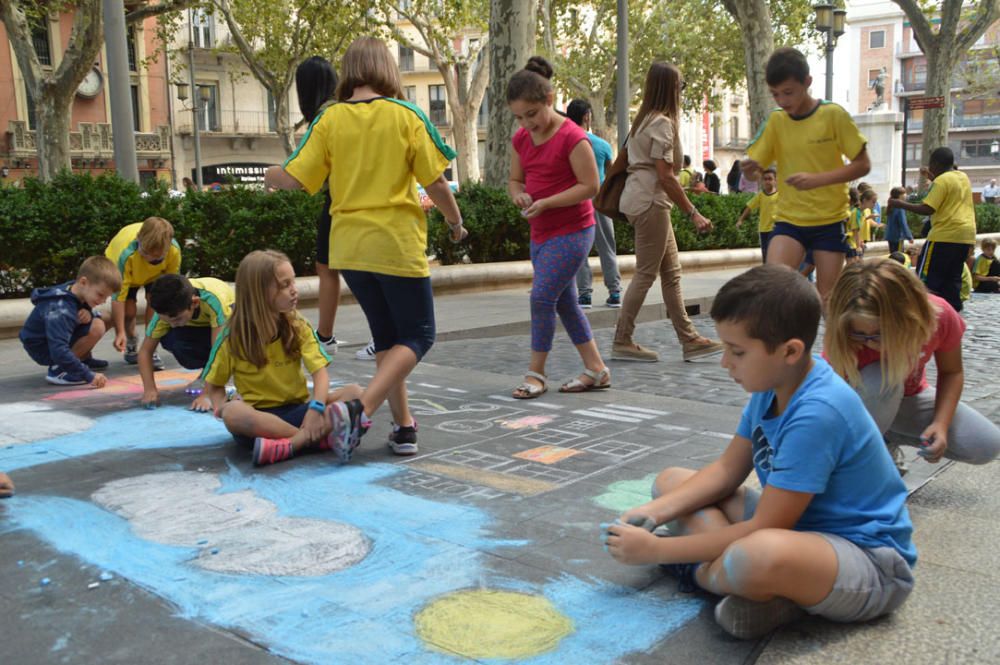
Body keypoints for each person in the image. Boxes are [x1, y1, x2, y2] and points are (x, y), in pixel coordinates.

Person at [605, 264, 915, 640]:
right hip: (799, 534)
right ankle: (767, 594)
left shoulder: (818, 412)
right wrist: (653, 513)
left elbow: (765, 528)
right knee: (671, 483)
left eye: (737, 351)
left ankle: (705, 572)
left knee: (757, 554)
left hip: (868, 562)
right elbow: (726, 471)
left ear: (789, 351)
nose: (725, 362)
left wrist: (657, 552)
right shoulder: (772, 384)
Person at [264, 37, 465, 459]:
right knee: (420, 334)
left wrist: (269, 174)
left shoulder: (330, 119)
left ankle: (405, 428)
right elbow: (435, 181)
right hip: (395, 243)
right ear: (386, 69)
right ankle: (361, 408)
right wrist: (455, 221)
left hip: (349, 247)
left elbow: (296, 178)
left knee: (390, 341)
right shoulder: (406, 114)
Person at [825, 259, 1000, 472]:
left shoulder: (939, 315)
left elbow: (952, 372)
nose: (870, 342)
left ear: (908, 318)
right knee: (883, 379)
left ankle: (885, 439)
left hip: (909, 399)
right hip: (857, 405)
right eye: (860, 334)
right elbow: (827, 398)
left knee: (984, 444)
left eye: (880, 333)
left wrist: (941, 425)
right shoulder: (844, 332)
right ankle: (865, 457)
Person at [506, 57, 611, 398]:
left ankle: (536, 374)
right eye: (519, 117)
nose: (527, 124)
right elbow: (515, 180)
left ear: (549, 101)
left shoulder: (573, 137)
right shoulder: (521, 139)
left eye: (532, 114)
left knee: (541, 297)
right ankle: (596, 369)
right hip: (540, 232)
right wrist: (519, 195)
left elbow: (590, 186)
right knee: (564, 301)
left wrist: (547, 202)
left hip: (574, 230)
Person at [202, 250, 361, 466]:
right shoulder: (232, 337)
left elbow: (320, 374)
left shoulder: (297, 325)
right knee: (233, 413)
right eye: (284, 285)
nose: (294, 290)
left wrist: (316, 409)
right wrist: (221, 408)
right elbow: (214, 385)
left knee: (356, 393)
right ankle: (313, 439)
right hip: (258, 421)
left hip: (300, 412)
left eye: (293, 282)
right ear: (259, 293)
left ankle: (291, 445)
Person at [609, 63, 722, 364]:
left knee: (671, 274)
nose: (682, 92)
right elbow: (667, 176)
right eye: (680, 86)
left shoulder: (643, 120)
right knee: (647, 273)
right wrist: (693, 213)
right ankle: (622, 339)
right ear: (669, 88)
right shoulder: (661, 122)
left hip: (643, 199)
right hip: (650, 202)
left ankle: (689, 339)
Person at [742, 47, 870, 308]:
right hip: (789, 220)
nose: (782, 101)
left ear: (807, 82)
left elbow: (862, 165)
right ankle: (792, 347)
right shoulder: (776, 121)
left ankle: (833, 349)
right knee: (772, 288)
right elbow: (757, 169)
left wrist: (817, 180)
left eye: (788, 92)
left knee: (828, 300)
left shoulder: (833, 115)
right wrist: (750, 170)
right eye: (775, 94)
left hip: (830, 221)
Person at [887, 147, 976, 312]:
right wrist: (929, 175)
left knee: (927, 278)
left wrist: (899, 204)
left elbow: (927, 209)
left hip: (944, 236)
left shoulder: (941, 181)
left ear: (935, 164)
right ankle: (953, 315)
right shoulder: (962, 177)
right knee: (952, 280)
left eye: (930, 165)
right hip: (965, 237)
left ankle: (924, 314)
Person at [294, 56, 342, 356]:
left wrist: (276, 175)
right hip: (349, 194)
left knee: (327, 267)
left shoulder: (324, 117)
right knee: (338, 266)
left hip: (338, 198)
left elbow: (305, 171)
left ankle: (325, 336)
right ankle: (326, 335)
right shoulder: (344, 107)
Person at [19, 256, 120, 387]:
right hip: (44, 348)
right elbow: (58, 349)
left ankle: (81, 358)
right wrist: (88, 375)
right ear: (84, 282)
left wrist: (89, 312)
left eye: (106, 297)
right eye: (100, 295)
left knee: (105, 316)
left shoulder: (76, 288)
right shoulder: (61, 309)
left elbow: (80, 308)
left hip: (51, 340)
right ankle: (59, 370)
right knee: (97, 326)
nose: (103, 301)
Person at [138, 274, 235, 411]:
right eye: (167, 321)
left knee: (224, 345)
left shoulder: (214, 301)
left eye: (177, 319)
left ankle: (224, 376)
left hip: (232, 329)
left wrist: (208, 394)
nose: (172, 325)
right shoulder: (166, 309)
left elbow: (218, 349)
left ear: (194, 303)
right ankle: (207, 375)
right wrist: (149, 389)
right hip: (202, 330)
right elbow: (145, 351)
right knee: (172, 339)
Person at [566, 98, 622, 309]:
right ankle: (614, 291)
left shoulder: (565, 143)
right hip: (599, 198)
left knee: (579, 248)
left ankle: (584, 294)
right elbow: (612, 174)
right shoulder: (602, 145)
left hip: (574, 199)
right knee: (607, 245)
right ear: (587, 117)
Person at [104, 216, 182, 367]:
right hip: (128, 272)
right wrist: (119, 332)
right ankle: (131, 337)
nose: (150, 260)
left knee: (155, 302)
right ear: (139, 241)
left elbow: (170, 287)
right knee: (129, 312)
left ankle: (150, 347)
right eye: (145, 253)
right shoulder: (125, 253)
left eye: (157, 258)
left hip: (156, 275)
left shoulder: (173, 251)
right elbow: (118, 297)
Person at [736, 168, 778, 261]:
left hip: (776, 229)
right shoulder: (760, 195)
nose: (767, 181)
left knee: (775, 254)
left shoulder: (780, 195)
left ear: (775, 180)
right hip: (763, 230)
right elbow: (749, 207)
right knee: (765, 254)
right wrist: (740, 220)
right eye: (765, 179)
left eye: (770, 179)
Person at [885, 186, 914, 254]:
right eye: (904, 193)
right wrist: (909, 237)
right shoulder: (900, 208)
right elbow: (903, 223)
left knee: (893, 255)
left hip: (890, 236)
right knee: (899, 256)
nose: (906, 195)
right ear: (899, 196)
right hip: (898, 237)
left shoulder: (891, 207)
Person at [857, 189, 882, 256]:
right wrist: (858, 243)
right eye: (873, 202)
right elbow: (855, 228)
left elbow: (867, 222)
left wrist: (877, 224)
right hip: (857, 241)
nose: (874, 205)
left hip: (862, 239)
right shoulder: (857, 212)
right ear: (865, 200)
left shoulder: (866, 210)